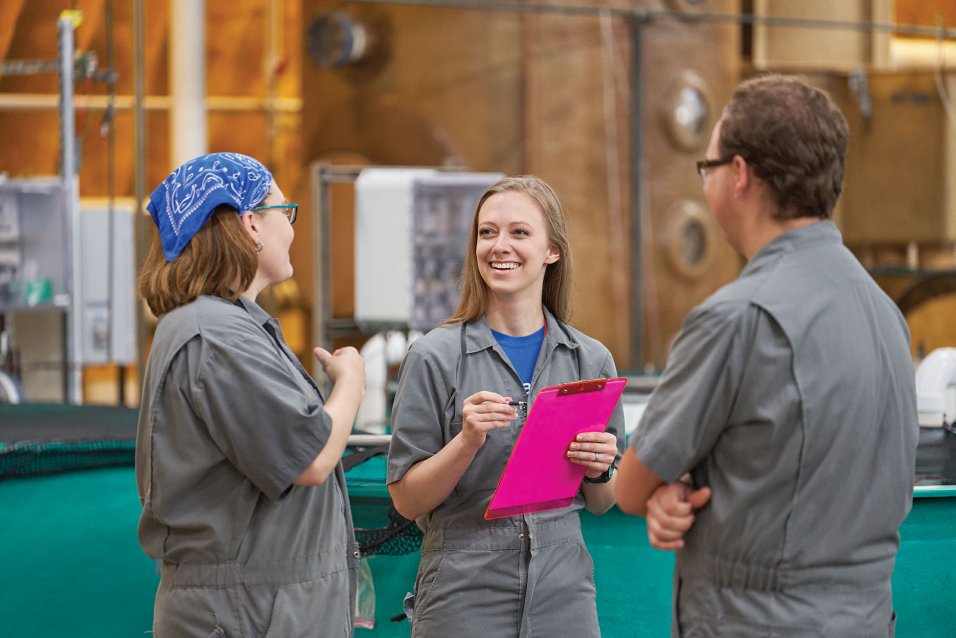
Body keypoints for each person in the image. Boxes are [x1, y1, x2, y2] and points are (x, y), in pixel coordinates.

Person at [615, 74, 919, 637]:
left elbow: (629, 487)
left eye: (706, 167)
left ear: (739, 175)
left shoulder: (736, 319)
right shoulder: (884, 314)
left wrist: (667, 487)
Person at [135, 152, 365, 637]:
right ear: (250, 224)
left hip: (255, 604)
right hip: (246, 611)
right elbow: (312, 459)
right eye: (286, 213)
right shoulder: (217, 334)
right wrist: (351, 383)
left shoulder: (224, 326)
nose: (292, 230)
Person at [386, 175, 625, 637]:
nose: (500, 246)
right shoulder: (434, 356)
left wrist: (600, 470)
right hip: (462, 593)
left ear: (552, 251)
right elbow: (407, 499)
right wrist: (466, 442)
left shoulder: (589, 360)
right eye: (487, 232)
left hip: (564, 593)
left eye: (519, 232)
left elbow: (602, 502)